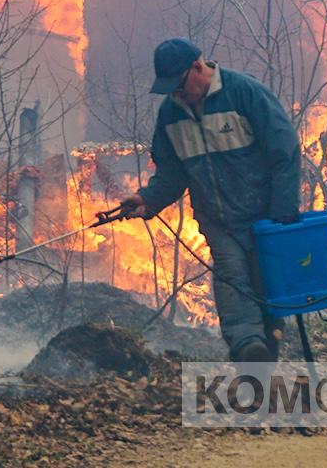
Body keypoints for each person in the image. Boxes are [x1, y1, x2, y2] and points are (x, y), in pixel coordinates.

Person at [103, 37, 301, 362]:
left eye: (179, 86)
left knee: (265, 287)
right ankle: (248, 348)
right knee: (231, 279)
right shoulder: (171, 114)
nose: (176, 94)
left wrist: (282, 215)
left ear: (198, 67)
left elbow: (284, 152)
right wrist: (147, 199)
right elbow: (171, 171)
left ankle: (264, 357)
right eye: (169, 89)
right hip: (217, 219)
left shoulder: (245, 93)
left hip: (264, 215)